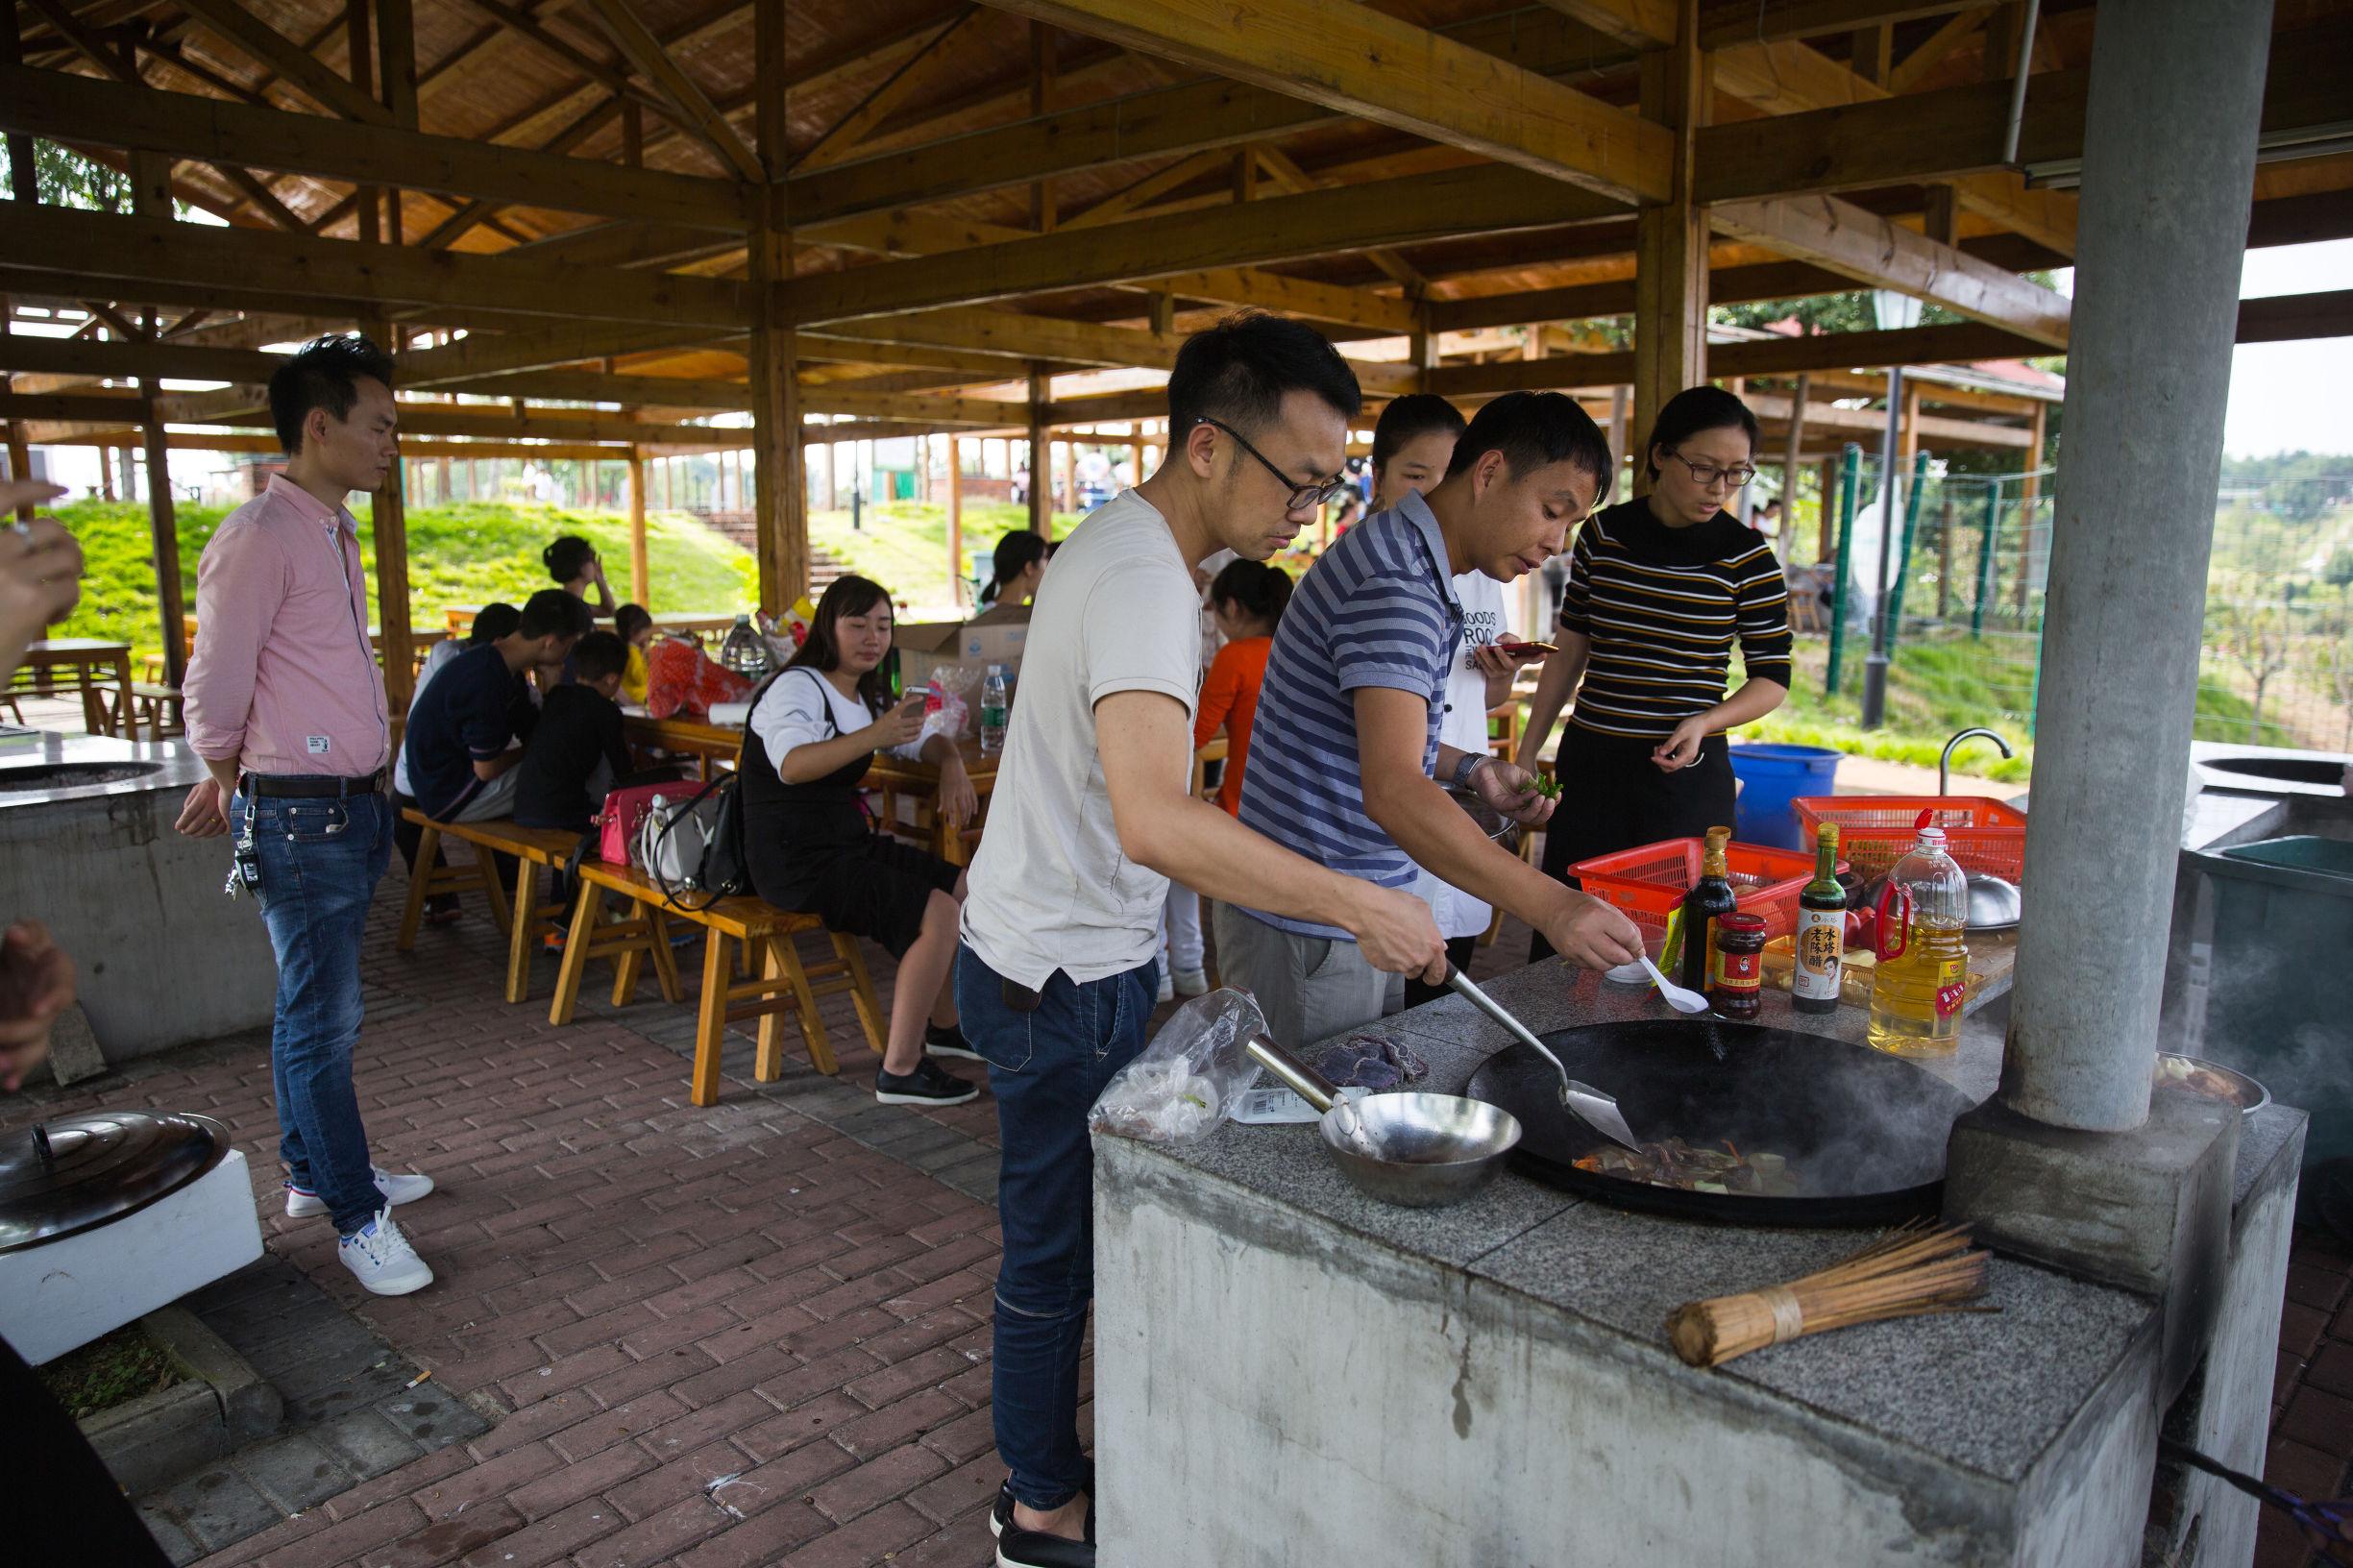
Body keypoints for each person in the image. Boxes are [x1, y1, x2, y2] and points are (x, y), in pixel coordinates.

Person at [956, 312, 1448, 1567]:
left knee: (1075, 1233)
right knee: (1054, 1245)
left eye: (1333, 483)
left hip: (1072, 958)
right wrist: (1354, 898)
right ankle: (1036, 1511)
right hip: (1054, 978)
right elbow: (1154, 816)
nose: (1311, 508)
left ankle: (1052, 1471)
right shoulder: (1136, 580)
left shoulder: (1137, 559)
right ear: (1207, 448)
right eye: (1301, 479)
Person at [1217, 391, 1647, 1049]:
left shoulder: (1407, 558)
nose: (1555, 544)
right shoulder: (1397, 584)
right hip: (1312, 919)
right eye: (1551, 512)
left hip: (1338, 907)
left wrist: (1471, 769)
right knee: (1301, 1134)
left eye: (1570, 526)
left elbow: (1369, 737)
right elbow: (1391, 789)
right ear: (1488, 472)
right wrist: (1552, 905)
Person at [175, 334, 439, 1297]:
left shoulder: (330, 529)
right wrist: (230, 774)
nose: (391, 446)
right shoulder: (258, 534)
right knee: (323, 1021)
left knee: (313, 1008)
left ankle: (310, 1172)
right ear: (317, 425)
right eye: (379, 426)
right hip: (300, 817)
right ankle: (353, 1217)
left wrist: (235, 774)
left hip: (344, 807)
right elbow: (213, 684)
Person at [1516, 385, 1794, 961]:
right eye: (1704, 468)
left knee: (1683, 940)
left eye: (1736, 473)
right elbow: (1571, 649)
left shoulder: (1748, 558)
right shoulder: (1603, 534)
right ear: (1661, 455)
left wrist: (1707, 722)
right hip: (1593, 766)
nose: (1719, 488)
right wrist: (1528, 749)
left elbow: (1772, 679)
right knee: (1569, 924)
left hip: (1688, 775)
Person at [740, 576, 982, 1106]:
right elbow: (791, 764)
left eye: (883, 625)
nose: (872, 637)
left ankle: (944, 1028)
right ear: (829, 625)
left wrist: (952, 763)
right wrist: (875, 736)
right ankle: (899, 1068)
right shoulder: (799, 686)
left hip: (843, 845)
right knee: (937, 913)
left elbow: (919, 738)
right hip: (795, 861)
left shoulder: (860, 692)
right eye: (857, 625)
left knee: (966, 889)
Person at [1362, 396, 1546, 1009]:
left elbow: (1487, 698)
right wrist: (1553, 905)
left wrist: (1500, 674)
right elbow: (1387, 761)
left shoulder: (1482, 573)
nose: (1432, 494)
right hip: (1388, 819)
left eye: (1446, 476)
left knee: (1442, 987)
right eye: (1416, 476)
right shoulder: (1382, 574)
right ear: (1377, 474)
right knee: (1379, 998)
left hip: (1460, 800)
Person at [404, 588, 589, 824]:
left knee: (563, 760)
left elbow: (535, 729)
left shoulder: (500, 666)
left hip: (452, 782)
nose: (567, 655)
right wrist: (529, 751)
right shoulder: (484, 678)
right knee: (570, 770)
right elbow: (486, 769)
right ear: (550, 643)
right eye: (569, 646)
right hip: (448, 793)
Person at [392, 602, 520, 920]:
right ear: (503, 642)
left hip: (419, 776)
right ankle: (489, 882)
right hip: (432, 781)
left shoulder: (450, 655)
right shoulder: (467, 666)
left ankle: (447, 896)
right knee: (514, 779)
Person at [1193, 558, 1289, 818]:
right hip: (1292, 812)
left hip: (1243, 810)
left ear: (1232, 607)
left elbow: (1195, 735)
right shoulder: (1294, 652)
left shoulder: (1235, 657)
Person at [513, 630, 634, 832]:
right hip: (561, 813)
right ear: (612, 679)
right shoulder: (605, 710)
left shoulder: (556, 696)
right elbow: (622, 768)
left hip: (523, 807)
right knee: (616, 823)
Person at [970, 528, 1047, 625]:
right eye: (1045, 558)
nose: (1048, 569)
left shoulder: (990, 614)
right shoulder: (989, 618)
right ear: (1029, 568)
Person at [545, 533, 614, 620]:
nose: (596, 565)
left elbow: (608, 611)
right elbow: (608, 611)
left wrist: (600, 578)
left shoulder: (567, 604)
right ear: (580, 565)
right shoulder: (569, 608)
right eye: (592, 559)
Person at [614, 601, 654, 705]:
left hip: (627, 698)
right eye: (645, 631)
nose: (647, 635)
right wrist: (648, 658)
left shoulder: (622, 648)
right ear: (633, 630)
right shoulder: (632, 652)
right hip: (634, 701)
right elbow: (641, 679)